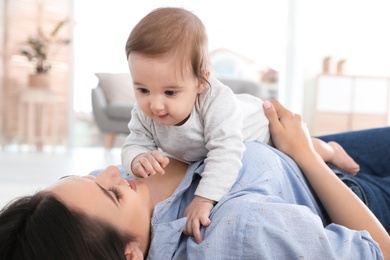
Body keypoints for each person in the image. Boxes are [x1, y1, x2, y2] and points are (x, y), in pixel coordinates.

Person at [0, 99, 389, 259]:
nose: (109, 172)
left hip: (304, 153)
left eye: (82, 177)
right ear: (130, 255)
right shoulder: (242, 232)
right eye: (112, 194)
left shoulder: (92, 218)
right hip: (350, 194)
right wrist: (305, 154)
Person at [121, 7, 360, 243]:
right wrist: (137, 157)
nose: (155, 105)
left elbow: (226, 153)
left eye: (170, 92)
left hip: (261, 128)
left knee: (304, 150)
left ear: (201, 82)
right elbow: (133, 143)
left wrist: (204, 198)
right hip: (205, 148)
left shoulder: (215, 102)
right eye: (142, 89)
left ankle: (331, 150)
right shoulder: (144, 112)